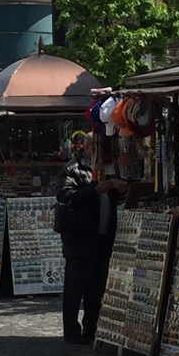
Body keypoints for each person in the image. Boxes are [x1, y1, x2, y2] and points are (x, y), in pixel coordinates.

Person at [56, 132, 120, 343]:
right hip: (79, 238)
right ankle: (72, 332)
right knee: (75, 289)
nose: (97, 148)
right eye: (94, 144)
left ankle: (91, 330)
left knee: (96, 288)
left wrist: (119, 189)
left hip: (101, 238)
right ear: (86, 146)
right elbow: (66, 196)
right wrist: (94, 189)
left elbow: (112, 199)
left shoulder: (107, 168)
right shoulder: (73, 169)